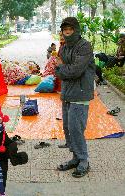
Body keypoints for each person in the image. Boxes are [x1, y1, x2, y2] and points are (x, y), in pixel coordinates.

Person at [55, 17, 95, 178]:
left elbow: (75, 71)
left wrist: (61, 68)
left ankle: (84, 160)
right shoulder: (64, 48)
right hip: (66, 93)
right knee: (68, 128)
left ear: (76, 30)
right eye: (65, 29)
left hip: (80, 92)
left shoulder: (84, 46)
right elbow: (58, 71)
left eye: (70, 29)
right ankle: (75, 158)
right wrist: (62, 69)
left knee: (76, 128)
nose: (68, 32)